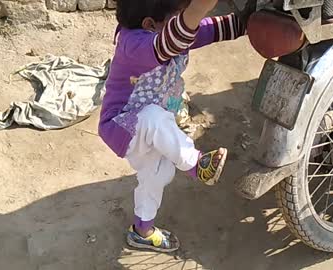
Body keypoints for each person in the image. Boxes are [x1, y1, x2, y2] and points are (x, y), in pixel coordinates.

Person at [98, 0, 247, 252]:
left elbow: (211, 29)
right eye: (179, 17)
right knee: (156, 117)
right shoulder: (134, 44)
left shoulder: (168, 33)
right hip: (122, 126)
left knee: (157, 176)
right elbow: (175, 37)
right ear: (150, 25)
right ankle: (196, 164)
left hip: (150, 131)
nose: (186, 24)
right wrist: (199, 7)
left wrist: (249, 21)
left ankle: (142, 231)